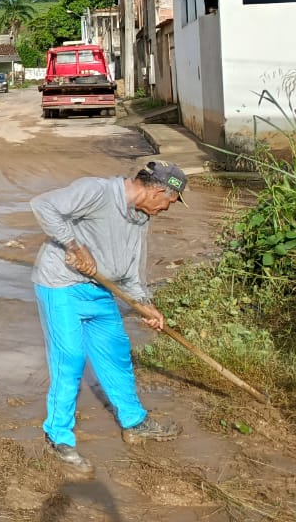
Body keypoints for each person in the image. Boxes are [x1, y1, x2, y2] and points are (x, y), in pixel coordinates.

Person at [30, 160, 189, 475]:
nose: (167, 209)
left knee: (117, 354)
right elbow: (43, 205)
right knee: (71, 357)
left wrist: (145, 304)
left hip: (101, 290)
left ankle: (134, 421)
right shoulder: (98, 191)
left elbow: (131, 272)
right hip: (61, 285)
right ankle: (57, 436)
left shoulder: (141, 217)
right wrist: (76, 246)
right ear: (159, 190)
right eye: (169, 201)